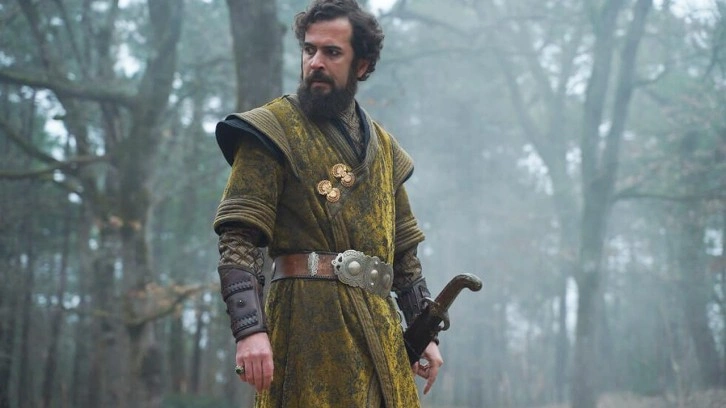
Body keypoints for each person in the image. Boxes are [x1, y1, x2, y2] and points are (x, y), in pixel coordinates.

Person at [213, 0, 443, 406]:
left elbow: (404, 253)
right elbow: (238, 238)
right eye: (309, 49)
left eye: (332, 52)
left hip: (381, 333)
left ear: (362, 65)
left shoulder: (386, 149)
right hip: (305, 330)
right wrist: (250, 330)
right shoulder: (271, 129)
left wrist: (425, 333)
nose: (316, 62)